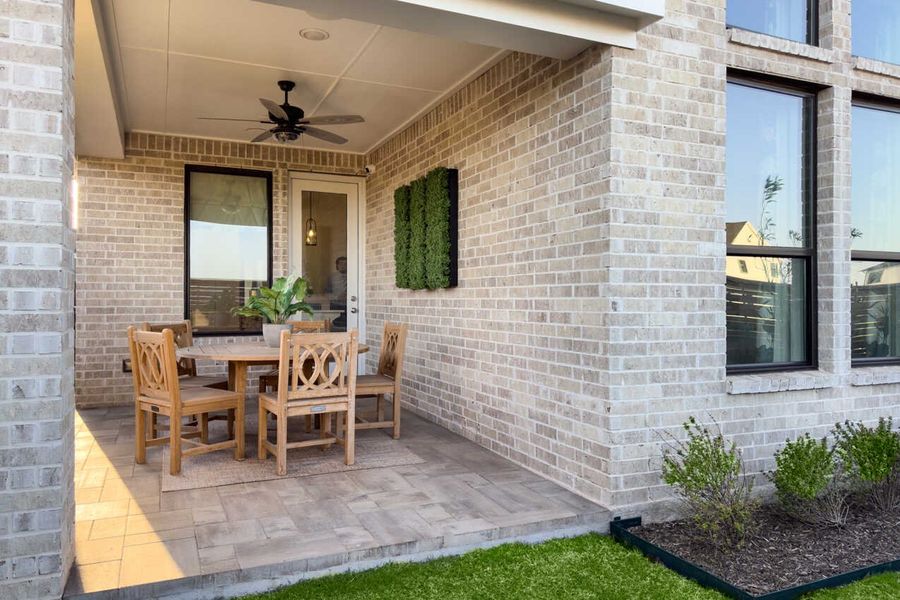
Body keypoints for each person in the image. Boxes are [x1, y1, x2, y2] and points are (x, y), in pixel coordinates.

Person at [326, 256, 348, 330]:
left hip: (349, 306)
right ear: (337, 266)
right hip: (336, 305)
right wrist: (337, 297)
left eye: (345, 264)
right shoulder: (332, 277)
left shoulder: (353, 276)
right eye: (341, 264)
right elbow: (326, 293)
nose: (343, 266)